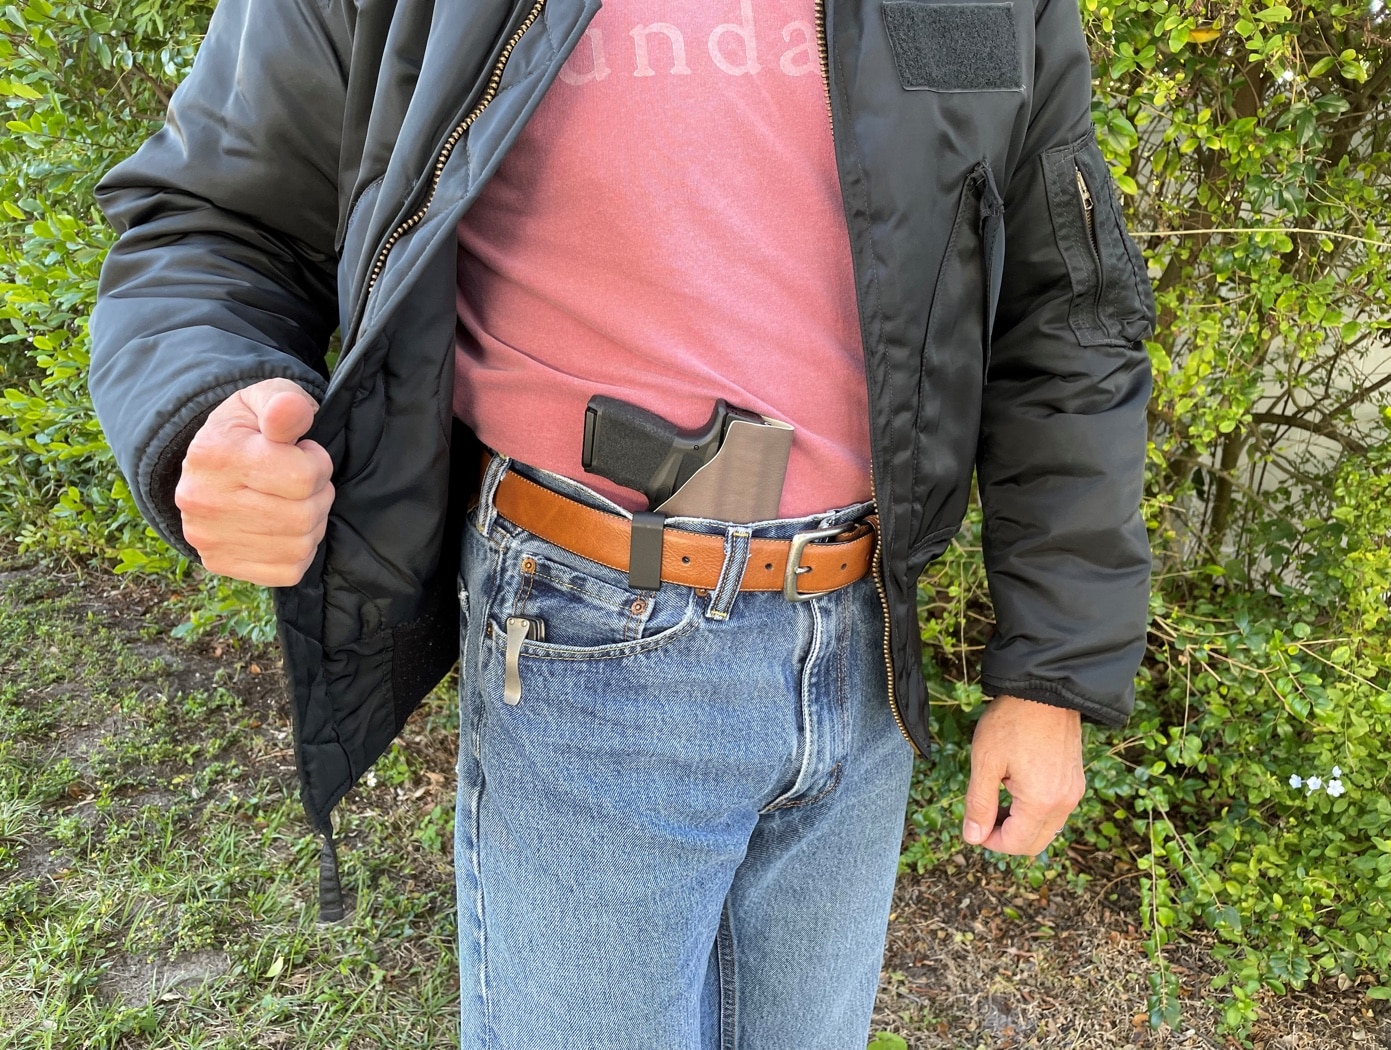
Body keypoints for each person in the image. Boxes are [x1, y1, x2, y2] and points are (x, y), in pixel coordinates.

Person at [89, 0, 1155, 1045]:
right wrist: (205, 407)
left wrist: (1049, 672)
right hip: (588, 643)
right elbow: (214, 220)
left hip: (865, 645)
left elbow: (1066, 310)